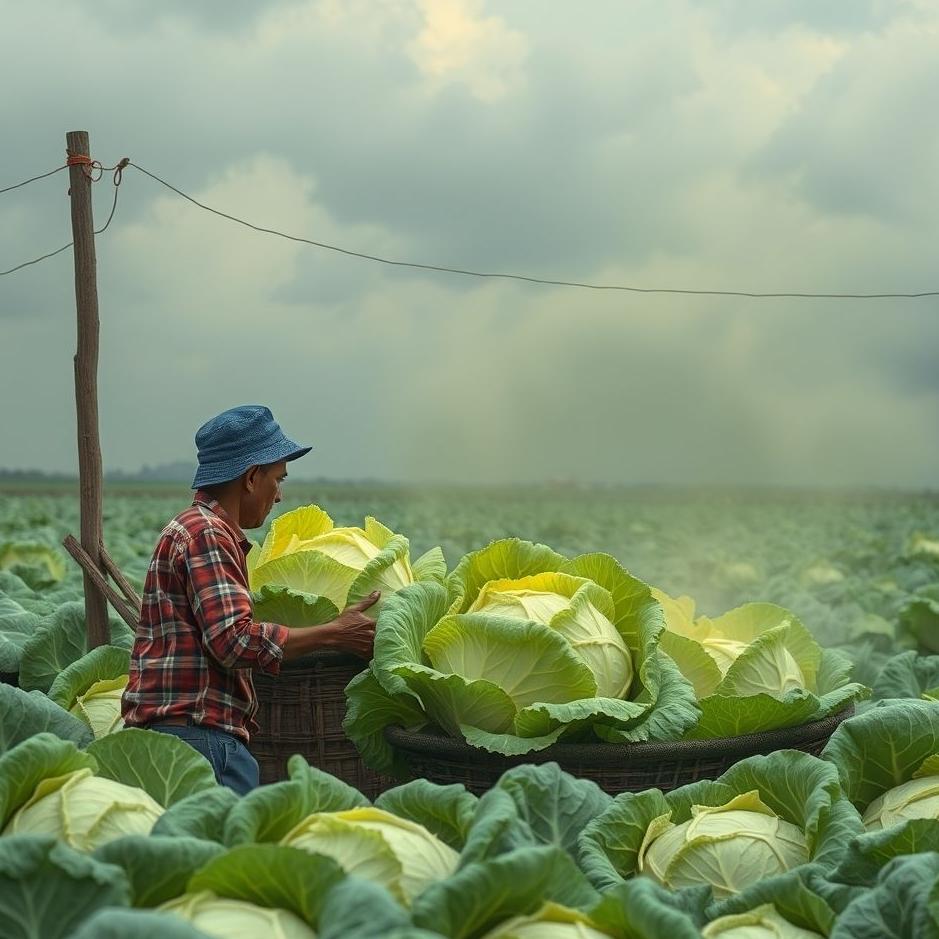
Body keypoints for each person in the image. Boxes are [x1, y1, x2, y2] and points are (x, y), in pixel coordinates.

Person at [120, 405, 378, 795]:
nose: (280, 495)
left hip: (177, 736)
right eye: (278, 479)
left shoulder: (192, 527)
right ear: (252, 477)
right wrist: (334, 633)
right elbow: (234, 641)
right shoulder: (207, 534)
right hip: (199, 740)